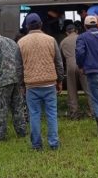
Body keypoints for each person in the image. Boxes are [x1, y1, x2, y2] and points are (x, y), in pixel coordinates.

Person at [17, 13, 64, 151]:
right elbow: (59, 63)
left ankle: (37, 145)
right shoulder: (51, 40)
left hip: (31, 85)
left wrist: (22, 85)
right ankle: (54, 143)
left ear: (27, 26)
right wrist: (60, 80)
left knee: (34, 115)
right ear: (41, 25)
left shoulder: (21, 43)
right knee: (51, 114)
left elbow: (19, 67)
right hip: (49, 83)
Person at [0, 27, 26, 143]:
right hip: (16, 79)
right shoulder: (11, 42)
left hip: (3, 81)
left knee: (1, 108)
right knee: (18, 107)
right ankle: (22, 132)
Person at [60, 24, 93, 120]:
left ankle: (74, 114)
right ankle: (93, 112)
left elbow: (60, 59)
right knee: (88, 90)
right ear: (76, 31)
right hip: (83, 65)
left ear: (66, 33)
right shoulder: (82, 38)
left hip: (70, 66)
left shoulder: (63, 42)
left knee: (72, 91)